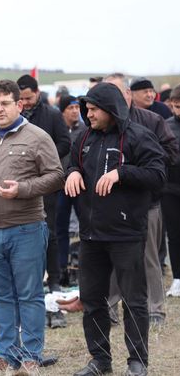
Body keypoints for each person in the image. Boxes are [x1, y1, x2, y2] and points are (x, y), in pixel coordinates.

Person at [0, 79, 64, 374]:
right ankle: (8, 353)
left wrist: (24, 188)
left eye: (5, 103)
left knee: (29, 293)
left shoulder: (37, 137)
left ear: (19, 105)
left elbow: (56, 176)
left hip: (26, 227)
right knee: (1, 295)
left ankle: (31, 355)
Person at [65, 82, 166, 376]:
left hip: (126, 233)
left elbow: (157, 174)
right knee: (92, 300)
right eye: (87, 109)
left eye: (94, 109)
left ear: (110, 109)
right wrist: (72, 172)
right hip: (90, 234)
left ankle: (137, 361)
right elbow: (73, 164)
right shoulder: (83, 138)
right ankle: (99, 360)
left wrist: (122, 172)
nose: (88, 114)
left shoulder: (138, 136)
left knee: (134, 301)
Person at [104, 73, 178, 327]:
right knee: (113, 257)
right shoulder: (102, 123)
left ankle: (155, 309)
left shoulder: (151, 120)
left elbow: (171, 152)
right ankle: (111, 306)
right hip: (112, 203)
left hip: (147, 201)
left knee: (149, 258)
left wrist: (140, 166)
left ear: (127, 93)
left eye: (116, 90)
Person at [17, 74, 70, 293]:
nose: (26, 103)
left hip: (46, 182)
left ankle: (54, 278)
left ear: (37, 93)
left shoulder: (53, 115)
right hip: (20, 182)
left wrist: (43, 158)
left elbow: (65, 143)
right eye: (22, 99)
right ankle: (31, 280)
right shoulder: (15, 117)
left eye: (29, 98)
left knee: (49, 232)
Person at [56, 96, 86, 290]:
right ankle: (61, 270)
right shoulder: (57, 130)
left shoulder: (84, 130)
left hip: (80, 185)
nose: (75, 111)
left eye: (77, 107)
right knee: (60, 229)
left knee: (82, 228)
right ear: (63, 111)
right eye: (71, 107)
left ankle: (77, 269)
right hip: (59, 186)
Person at [163, 85, 180, 296]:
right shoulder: (166, 126)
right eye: (175, 107)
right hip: (170, 188)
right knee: (174, 235)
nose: (178, 111)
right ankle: (177, 278)